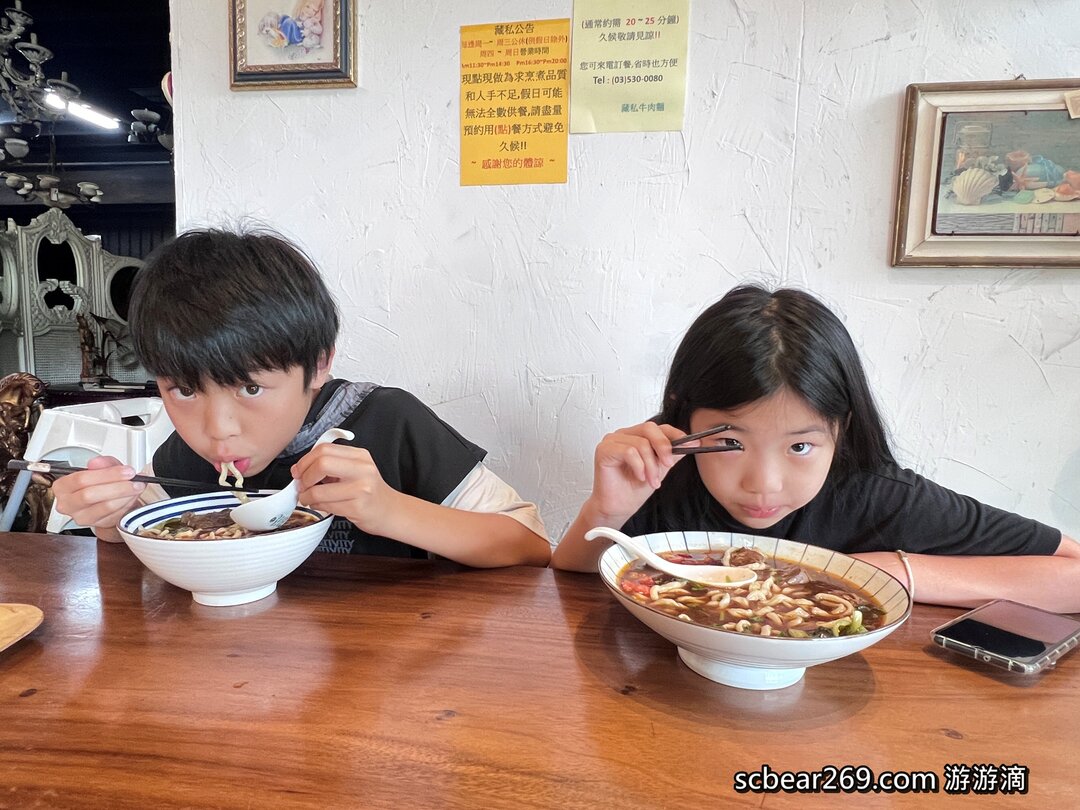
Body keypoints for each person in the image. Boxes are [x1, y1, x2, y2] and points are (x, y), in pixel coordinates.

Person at [551, 284, 1080, 612]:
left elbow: (1072, 573)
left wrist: (885, 573)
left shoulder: (874, 493)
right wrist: (608, 510)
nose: (765, 483)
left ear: (841, 429)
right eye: (731, 441)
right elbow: (572, 575)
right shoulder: (665, 471)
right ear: (682, 416)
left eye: (800, 445)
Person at [51, 227, 551, 568]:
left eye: (250, 387)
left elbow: (528, 545)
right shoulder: (183, 455)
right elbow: (150, 553)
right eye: (183, 389)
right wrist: (113, 520)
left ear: (318, 364)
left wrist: (390, 511)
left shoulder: (386, 422)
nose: (218, 428)